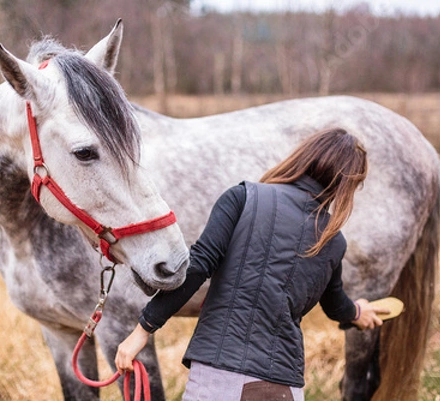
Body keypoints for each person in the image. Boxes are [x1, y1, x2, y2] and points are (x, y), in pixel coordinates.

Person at [115, 128, 389, 400]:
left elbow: (198, 266)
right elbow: (335, 302)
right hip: (286, 386)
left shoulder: (243, 198)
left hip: (222, 376)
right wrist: (356, 313)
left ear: (304, 157)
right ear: (346, 186)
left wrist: (143, 330)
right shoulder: (333, 239)